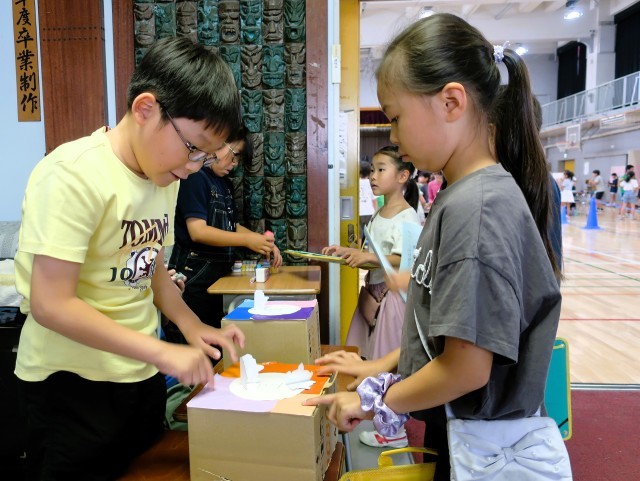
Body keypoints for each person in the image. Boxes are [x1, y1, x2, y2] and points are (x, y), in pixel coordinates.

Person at [305, 13, 563, 481]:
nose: (394, 136)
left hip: (485, 447)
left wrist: (376, 400)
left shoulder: (477, 208)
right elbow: (441, 337)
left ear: (451, 102)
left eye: (396, 117)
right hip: (463, 433)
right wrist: (378, 365)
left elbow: (466, 369)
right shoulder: (461, 196)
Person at [14, 37, 247, 481]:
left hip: (138, 377)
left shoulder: (164, 176)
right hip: (70, 385)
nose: (194, 166)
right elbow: (50, 303)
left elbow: (150, 266)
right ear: (145, 109)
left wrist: (192, 326)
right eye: (193, 148)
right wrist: (163, 352)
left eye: (205, 156)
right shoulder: (72, 174)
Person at [322, 145, 421, 448]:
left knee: (386, 364)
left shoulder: (408, 217)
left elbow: (404, 260)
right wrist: (349, 253)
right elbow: (374, 254)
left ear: (403, 176)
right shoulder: (379, 212)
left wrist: (366, 257)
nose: (373, 176)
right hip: (372, 295)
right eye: (372, 170)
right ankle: (377, 417)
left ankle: (395, 431)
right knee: (368, 358)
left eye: (381, 169)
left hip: (392, 300)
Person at [168, 126, 282, 334]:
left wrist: (260, 241)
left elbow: (231, 225)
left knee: (214, 337)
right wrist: (248, 241)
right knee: (192, 339)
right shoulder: (195, 177)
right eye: (234, 154)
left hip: (215, 277)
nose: (235, 163)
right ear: (218, 144)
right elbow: (198, 231)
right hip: (193, 278)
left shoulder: (223, 183)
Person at [359, 159, 378, 235]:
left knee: (359, 234)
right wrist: (376, 212)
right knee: (370, 234)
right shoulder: (372, 184)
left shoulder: (355, 183)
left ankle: (359, 243)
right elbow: (374, 200)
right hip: (370, 211)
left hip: (359, 212)